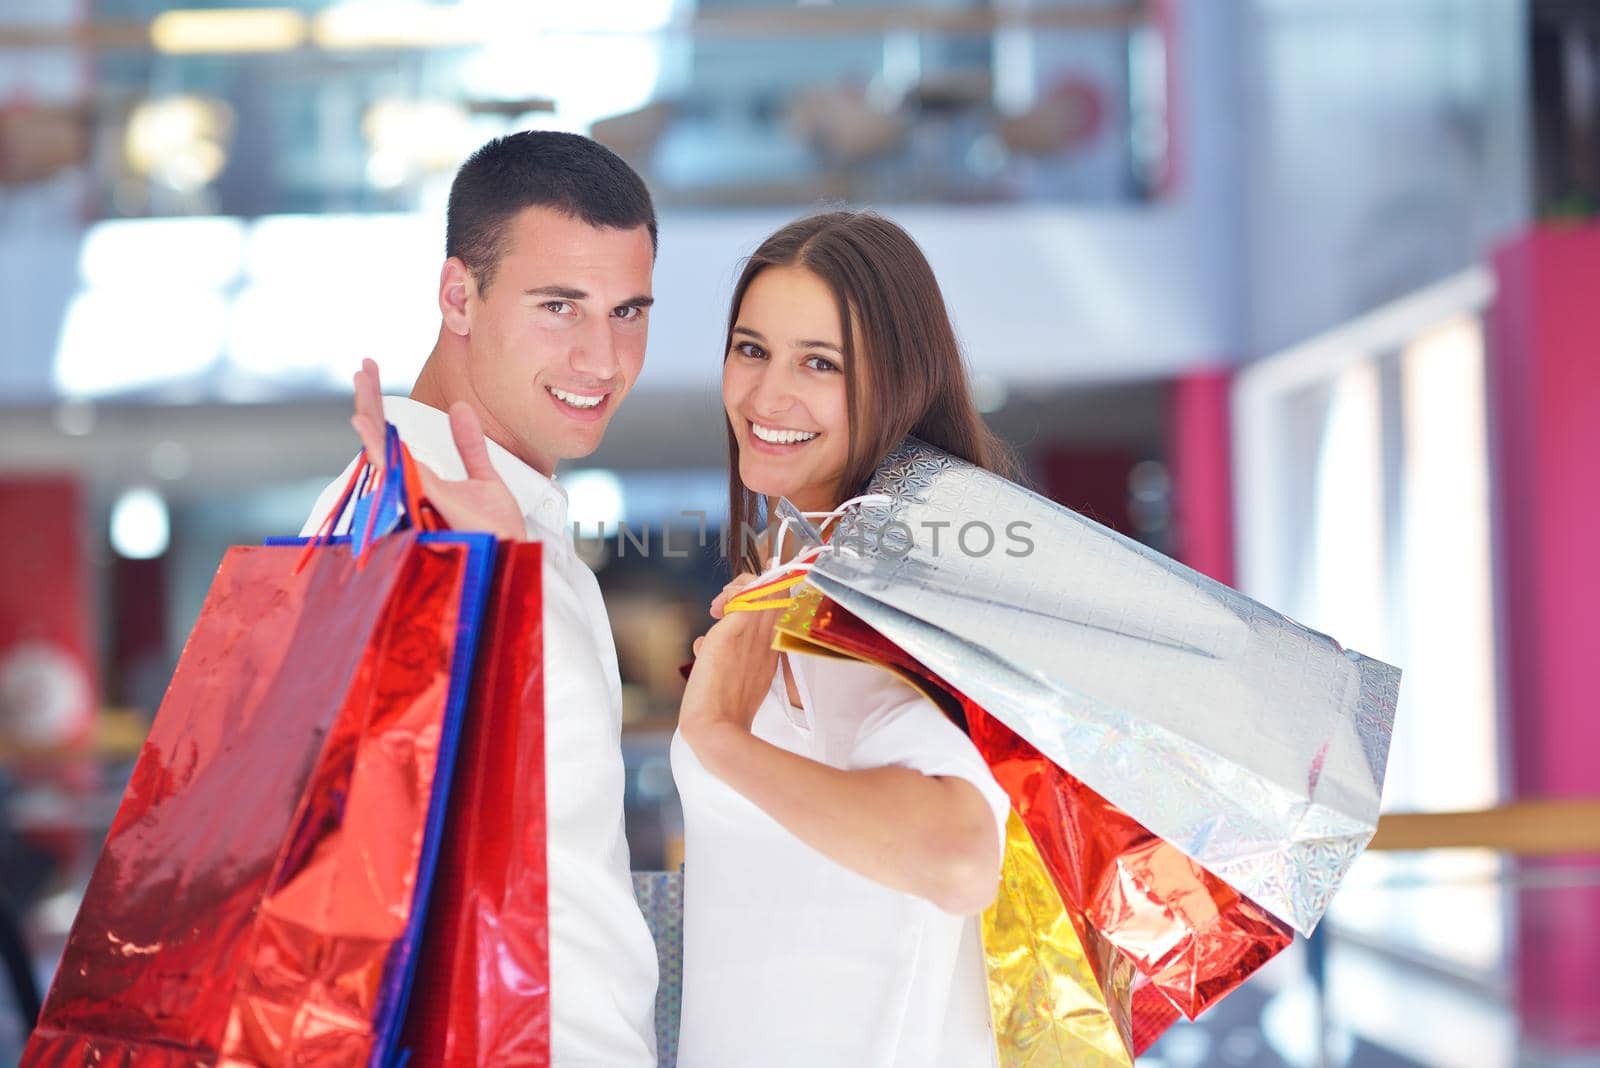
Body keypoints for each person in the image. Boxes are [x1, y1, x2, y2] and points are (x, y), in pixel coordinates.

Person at [304, 130, 661, 1067]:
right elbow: (359, 874)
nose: (603, 357)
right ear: (458, 295)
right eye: (560, 307)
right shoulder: (419, 513)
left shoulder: (493, 517)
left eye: (628, 311)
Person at [671, 211, 1015, 1067]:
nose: (765, 395)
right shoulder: (818, 569)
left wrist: (716, 736)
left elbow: (962, 853)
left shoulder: (886, 587)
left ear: (897, 381)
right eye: (752, 350)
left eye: (818, 363)